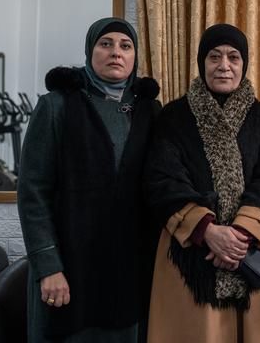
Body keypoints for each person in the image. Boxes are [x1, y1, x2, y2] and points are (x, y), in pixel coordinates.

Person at [17, 17, 161, 342]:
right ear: (90, 50)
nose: (116, 53)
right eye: (106, 44)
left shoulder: (149, 111)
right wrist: (47, 265)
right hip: (68, 269)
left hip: (128, 266)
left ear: (135, 56)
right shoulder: (56, 106)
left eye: (126, 46)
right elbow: (32, 193)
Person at [145, 24, 260, 343]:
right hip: (191, 256)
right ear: (201, 62)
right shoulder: (173, 117)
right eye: (215, 57)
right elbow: (162, 179)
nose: (224, 65)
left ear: (244, 64)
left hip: (253, 253)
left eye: (233, 57)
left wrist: (239, 236)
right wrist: (207, 231)